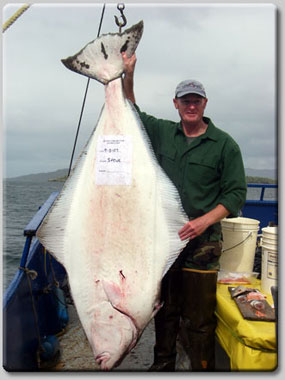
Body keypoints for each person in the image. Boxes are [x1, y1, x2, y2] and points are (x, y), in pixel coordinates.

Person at [122, 52, 247, 371]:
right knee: (164, 311)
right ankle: (162, 366)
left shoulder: (224, 145)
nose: (191, 106)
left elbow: (235, 193)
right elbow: (129, 111)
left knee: (199, 318)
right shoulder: (163, 131)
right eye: (185, 101)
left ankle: (202, 369)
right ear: (175, 104)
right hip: (164, 242)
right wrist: (128, 73)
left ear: (205, 104)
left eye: (196, 100)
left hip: (202, 246)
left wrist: (202, 222)